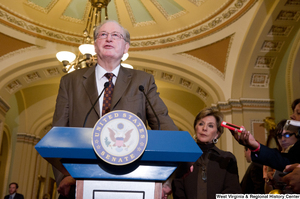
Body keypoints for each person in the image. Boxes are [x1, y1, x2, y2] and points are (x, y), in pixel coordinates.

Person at [52, 20, 178, 198]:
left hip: (132, 179)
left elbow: (166, 129)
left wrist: (165, 179)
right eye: (102, 35)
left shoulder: (143, 81)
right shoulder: (70, 81)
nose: (108, 39)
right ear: (95, 45)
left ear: (126, 47)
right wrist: (64, 176)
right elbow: (58, 133)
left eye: (115, 35)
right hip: (78, 179)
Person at [172, 108, 242, 199]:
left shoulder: (227, 159)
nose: (204, 128)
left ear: (217, 133)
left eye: (210, 126)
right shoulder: (184, 156)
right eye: (201, 124)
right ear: (195, 128)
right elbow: (177, 188)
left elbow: (232, 191)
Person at [230, 99, 300, 173]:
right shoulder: (296, 148)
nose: (292, 116)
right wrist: (256, 146)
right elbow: (286, 164)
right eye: (279, 136)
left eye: (298, 113)